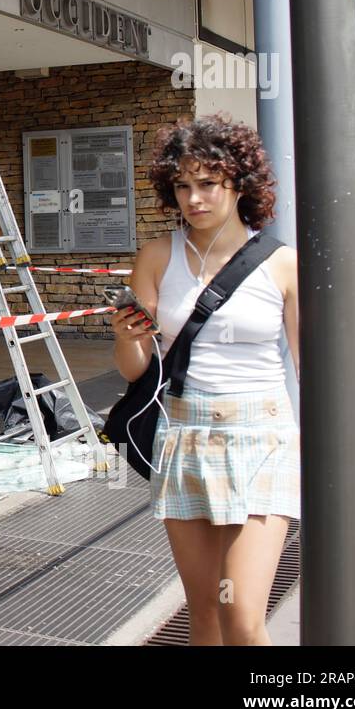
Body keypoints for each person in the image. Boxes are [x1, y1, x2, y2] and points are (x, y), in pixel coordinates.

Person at [111, 114, 300, 646]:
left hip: (263, 437)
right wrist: (128, 336)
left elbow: (309, 367)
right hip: (184, 435)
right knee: (205, 613)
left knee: (240, 613)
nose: (194, 198)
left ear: (239, 183)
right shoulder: (156, 256)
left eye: (208, 183)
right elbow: (136, 370)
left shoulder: (282, 264)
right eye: (183, 186)